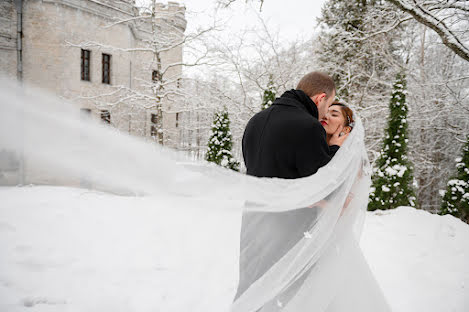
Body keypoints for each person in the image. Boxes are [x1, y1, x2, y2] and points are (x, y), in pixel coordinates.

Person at [242, 72, 348, 179]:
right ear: (320, 99)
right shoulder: (310, 126)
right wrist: (334, 148)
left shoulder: (255, 120)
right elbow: (321, 179)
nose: (325, 113)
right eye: (328, 105)